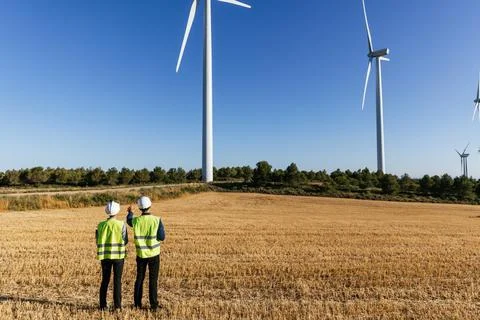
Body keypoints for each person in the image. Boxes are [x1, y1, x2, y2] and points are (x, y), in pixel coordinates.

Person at [126, 196, 165, 310]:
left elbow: (129, 220)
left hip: (141, 254)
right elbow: (161, 237)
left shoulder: (136, 221)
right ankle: (153, 305)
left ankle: (137, 304)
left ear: (139, 208)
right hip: (154, 254)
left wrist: (130, 212)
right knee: (153, 280)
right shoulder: (157, 220)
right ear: (150, 206)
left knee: (139, 278)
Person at [96, 200, 128, 311]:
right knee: (117, 281)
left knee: (105, 280)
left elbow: (97, 240)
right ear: (117, 211)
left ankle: (102, 305)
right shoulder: (121, 225)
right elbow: (125, 241)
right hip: (118, 256)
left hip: (104, 256)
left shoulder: (100, 225)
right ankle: (117, 306)